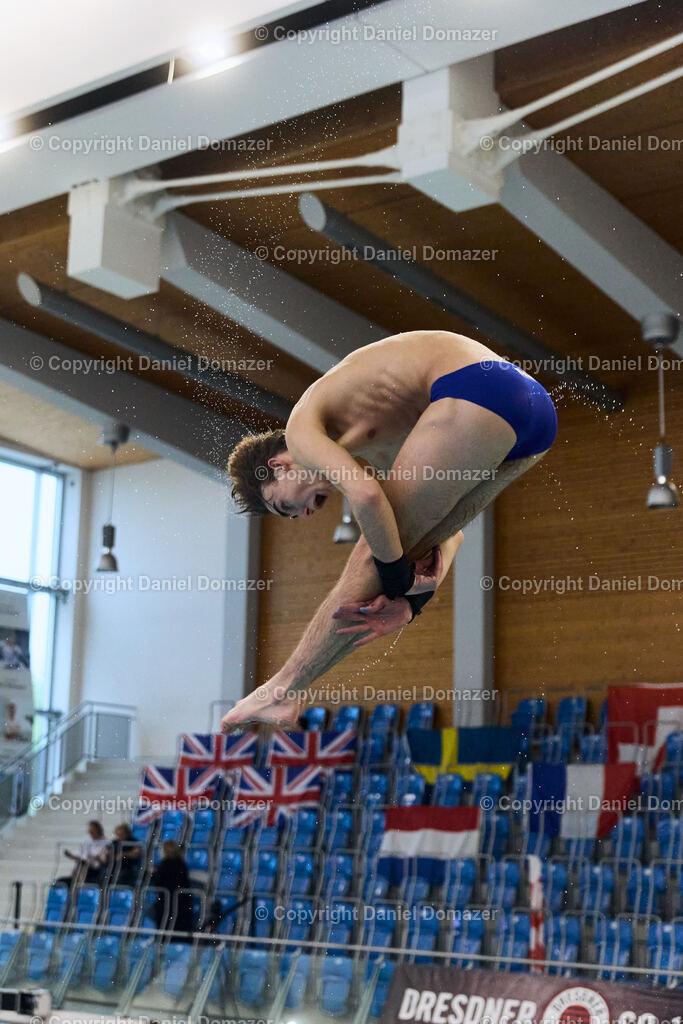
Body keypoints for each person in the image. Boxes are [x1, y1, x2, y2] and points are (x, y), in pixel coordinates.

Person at [222, 330, 557, 729]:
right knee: (396, 542)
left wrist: (393, 571)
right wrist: (411, 602)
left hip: (477, 387)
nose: (302, 516)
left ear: (277, 466)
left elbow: (365, 498)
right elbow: (452, 535)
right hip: (534, 417)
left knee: (374, 550)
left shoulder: (301, 431)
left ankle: (281, 690)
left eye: (284, 506)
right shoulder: (374, 444)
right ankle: (287, 691)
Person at [149, 840, 193, 934]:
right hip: (181, 903)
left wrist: (154, 873)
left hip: (167, 902)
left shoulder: (164, 865)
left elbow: (159, 882)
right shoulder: (182, 864)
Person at [60, 820, 110, 886]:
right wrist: (71, 855)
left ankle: (79, 885)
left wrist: (93, 858)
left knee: (83, 865)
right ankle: (76, 883)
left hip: (95, 868)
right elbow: (81, 854)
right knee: (80, 864)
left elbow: (102, 860)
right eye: (89, 831)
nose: (90, 833)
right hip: (84, 864)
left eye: (92, 831)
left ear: (98, 830)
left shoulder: (106, 843)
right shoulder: (86, 839)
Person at [110, 823, 142, 888]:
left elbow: (136, 853)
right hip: (115, 867)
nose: (119, 836)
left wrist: (124, 854)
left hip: (128, 867)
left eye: (121, 834)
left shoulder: (133, 842)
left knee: (121, 875)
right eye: (118, 834)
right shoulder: (115, 842)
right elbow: (108, 851)